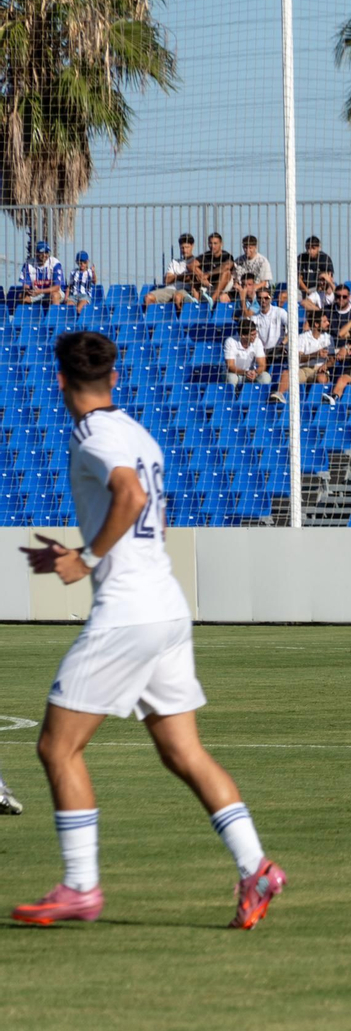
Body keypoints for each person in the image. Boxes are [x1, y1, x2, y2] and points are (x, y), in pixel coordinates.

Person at [12, 330, 286, 927]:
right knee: (182, 751)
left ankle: (81, 886)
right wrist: (84, 553)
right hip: (164, 604)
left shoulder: (92, 434)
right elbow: (146, 514)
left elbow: (129, 497)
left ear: (58, 381)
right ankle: (256, 867)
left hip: (128, 612)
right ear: (115, 378)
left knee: (57, 747)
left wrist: (85, 560)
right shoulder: (138, 433)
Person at [269, 309, 332, 403]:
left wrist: (326, 365)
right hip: (303, 369)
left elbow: (332, 358)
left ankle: (324, 399)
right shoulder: (302, 337)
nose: (328, 323)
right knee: (287, 373)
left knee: (322, 377)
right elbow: (297, 358)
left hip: (319, 369)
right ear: (316, 324)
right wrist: (316, 354)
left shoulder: (328, 338)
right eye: (325, 321)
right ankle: (279, 395)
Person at [223, 320, 270, 387]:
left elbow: (262, 365)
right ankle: (231, 396)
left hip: (251, 374)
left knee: (265, 376)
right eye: (252, 335)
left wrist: (255, 373)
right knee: (232, 378)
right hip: (234, 373)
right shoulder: (230, 342)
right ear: (243, 336)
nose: (255, 336)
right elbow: (230, 366)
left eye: (255, 333)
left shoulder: (257, 341)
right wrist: (245, 372)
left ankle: (260, 396)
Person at [18, 240, 66, 305]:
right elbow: (26, 285)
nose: (44, 255)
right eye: (41, 253)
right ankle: (29, 314)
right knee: (22, 296)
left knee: (54, 296)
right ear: (36, 253)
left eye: (46, 252)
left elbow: (57, 287)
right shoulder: (28, 264)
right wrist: (29, 291)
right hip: (36, 293)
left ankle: (55, 314)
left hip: (53, 292)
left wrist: (40, 291)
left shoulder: (55, 263)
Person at [197, 232, 235, 303]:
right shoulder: (206, 256)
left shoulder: (226, 255)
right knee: (194, 275)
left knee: (226, 272)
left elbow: (227, 266)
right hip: (209, 285)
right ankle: (195, 303)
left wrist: (208, 274)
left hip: (225, 285)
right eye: (210, 243)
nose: (212, 246)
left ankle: (212, 300)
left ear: (221, 244)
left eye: (215, 243)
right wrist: (201, 276)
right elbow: (191, 265)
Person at [295, 236, 334, 303]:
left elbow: (328, 278)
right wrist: (308, 292)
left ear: (319, 248)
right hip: (303, 289)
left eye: (313, 248)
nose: (310, 251)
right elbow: (299, 280)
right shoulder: (301, 258)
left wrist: (319, 289)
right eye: (308, 248)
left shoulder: (324, 258)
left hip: (319, 288)